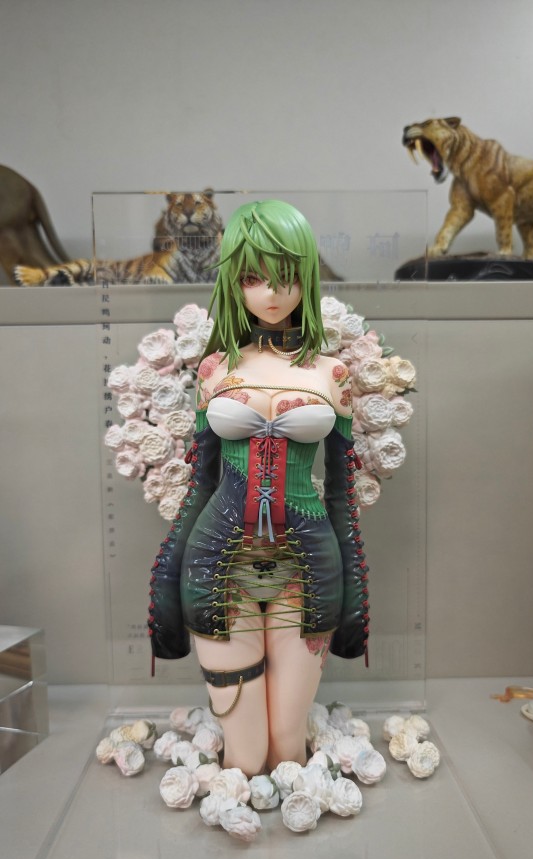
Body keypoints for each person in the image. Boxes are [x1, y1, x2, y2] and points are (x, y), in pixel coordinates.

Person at [149, 199, 369, 777]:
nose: (271, 292)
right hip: (216, 566)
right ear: (233, 282)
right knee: (246, 757)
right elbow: (200, 484)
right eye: (252, 277)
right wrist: (166, 582)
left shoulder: (331, 373)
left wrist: (355, 600)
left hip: (309, 569)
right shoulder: (215, 370)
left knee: (286, 747)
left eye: (287, 274)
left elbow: (342, 497)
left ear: (308, 276)